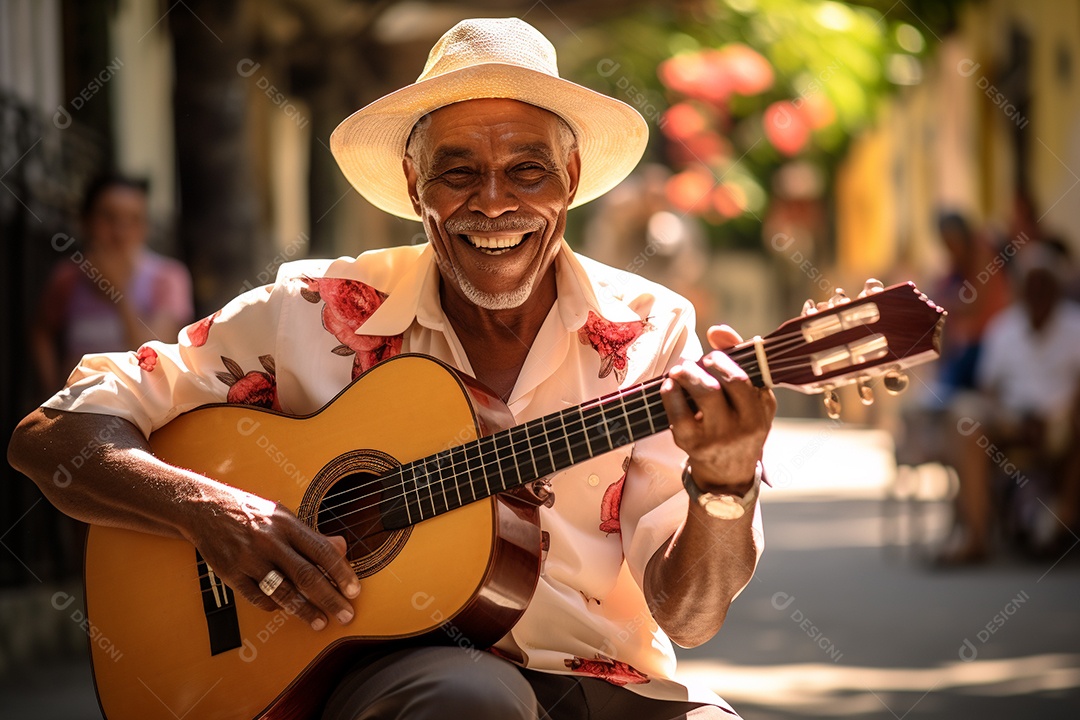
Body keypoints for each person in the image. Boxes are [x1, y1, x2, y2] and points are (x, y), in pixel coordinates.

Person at [8, 18, 773, 719]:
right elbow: (48, 434)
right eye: (458, 172)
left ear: (571, 181)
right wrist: (211, 514)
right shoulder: (309, 308)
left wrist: (726, 484)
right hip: (392, 679)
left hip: (605, 679)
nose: (495, 202)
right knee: (470, 699)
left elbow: (691, 617)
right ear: (415, 189)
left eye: (529, 170)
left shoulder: (654, 329)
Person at [940, 241, 1080, 564]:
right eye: (1031, 286)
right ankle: (975, 535)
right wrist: (1010, 418)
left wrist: (1062, 415)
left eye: (1044, 285)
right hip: (1011, 420)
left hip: (1063, 423)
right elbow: (988, 389)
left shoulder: (1075, 327)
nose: (1038, 294)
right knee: (966, 419)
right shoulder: (1003, 330)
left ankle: (1062, 521)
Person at [30, 174, 194, 394]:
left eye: (133, 220)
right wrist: (51, 391)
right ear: (85, 221)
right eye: (109, 218)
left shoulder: (168, 278)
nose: (120, 233)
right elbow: (42, 331)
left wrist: (118, 294)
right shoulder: (67, 277)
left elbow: (154, 358)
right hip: (77, 411)